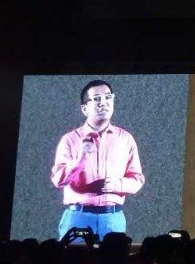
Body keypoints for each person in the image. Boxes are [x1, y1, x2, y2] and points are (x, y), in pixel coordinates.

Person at [51, 80, 145, 241]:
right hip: (78, 217)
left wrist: (117, 185)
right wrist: (81, 159)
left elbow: (137, 179)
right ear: (84, 108)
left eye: (108, 97)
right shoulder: (69, 140)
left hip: (112, 218)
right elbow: (58, 180)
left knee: (113, 258)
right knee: (73, 257)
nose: (104, 103)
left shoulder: (125, 139)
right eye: (96, 99)